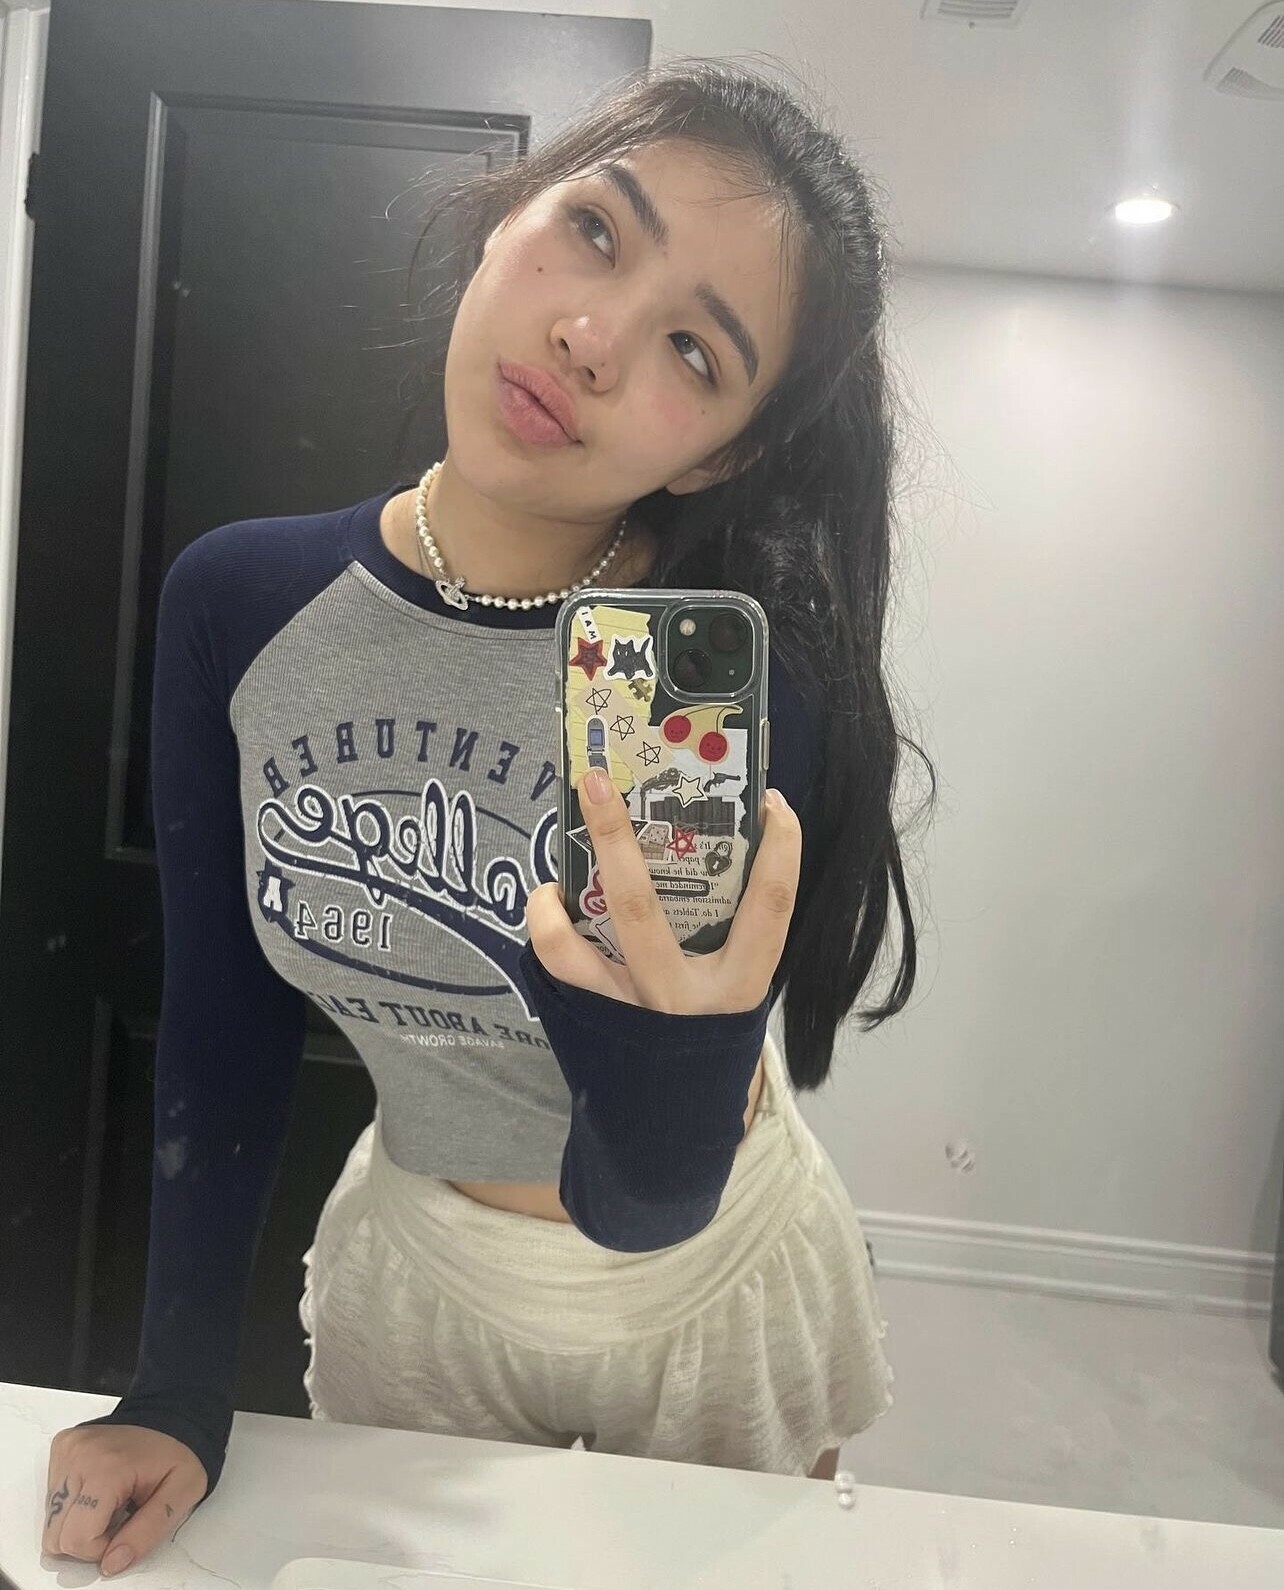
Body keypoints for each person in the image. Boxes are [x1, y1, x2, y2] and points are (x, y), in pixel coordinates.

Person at [41, 58, 933, 1576]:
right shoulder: (241, 602)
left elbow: (649, 1199)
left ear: (722, 450)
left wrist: (685, 1047)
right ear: (509, 212)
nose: (592, 337)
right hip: (419, 1265)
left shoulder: (725, 698)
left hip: (706, 1283)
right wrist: (178, 1389)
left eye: (694, 350)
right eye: (595, 230)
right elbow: (225, 1018)